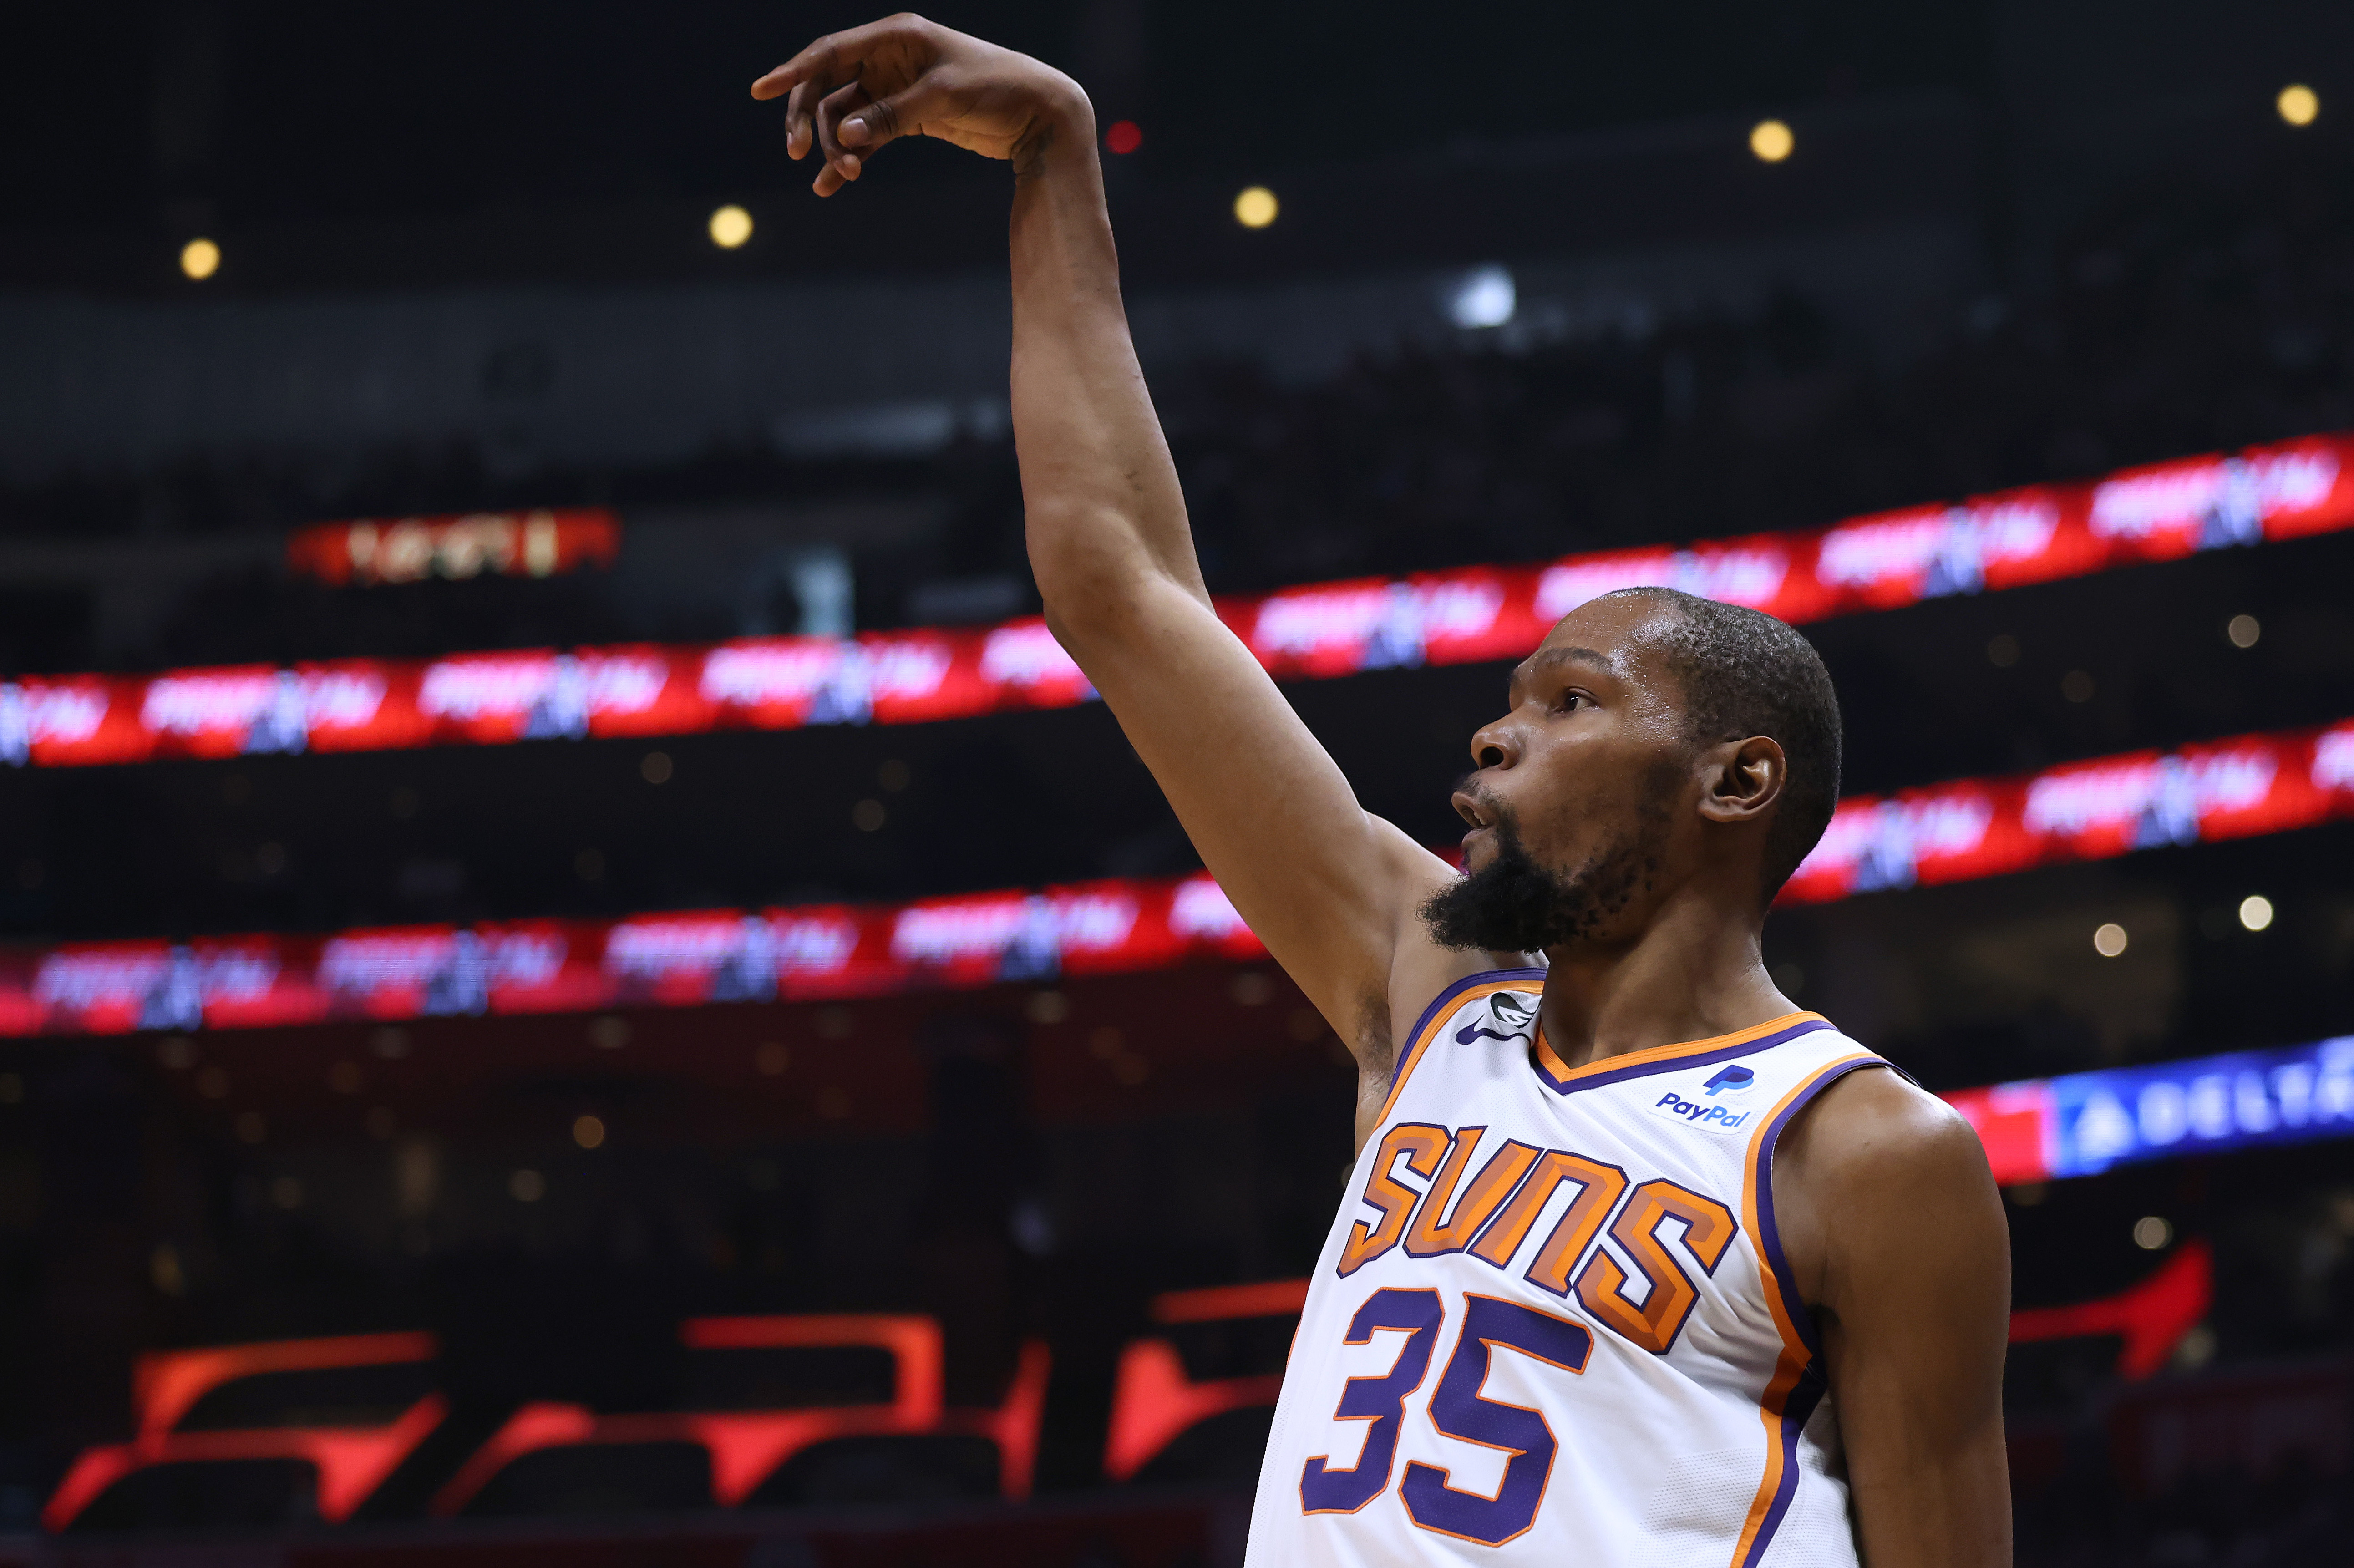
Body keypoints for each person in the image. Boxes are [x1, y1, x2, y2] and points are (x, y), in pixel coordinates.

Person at [753, 18, 2010, 1566]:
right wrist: (1056, 156)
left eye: (1566, 703)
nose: (1492, 741)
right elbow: (1120, 584)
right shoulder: (1433, 990)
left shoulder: (1870, 1154)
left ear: (1736, 779)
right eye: (1502, 708)